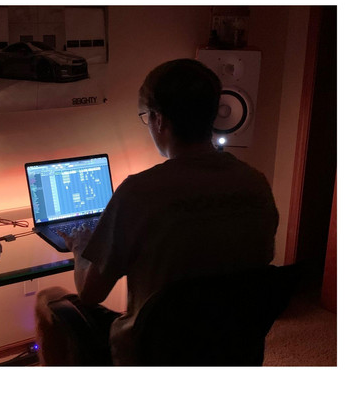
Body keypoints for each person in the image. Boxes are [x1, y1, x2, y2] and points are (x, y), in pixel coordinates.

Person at [34, 58, 279, 365]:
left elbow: (90, 292)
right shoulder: (255, 184)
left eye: (146, 117)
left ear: (159, 119)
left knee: (48, 299)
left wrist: (81, 246)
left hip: (153, 353)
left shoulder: (139, 193)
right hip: (233, 346)